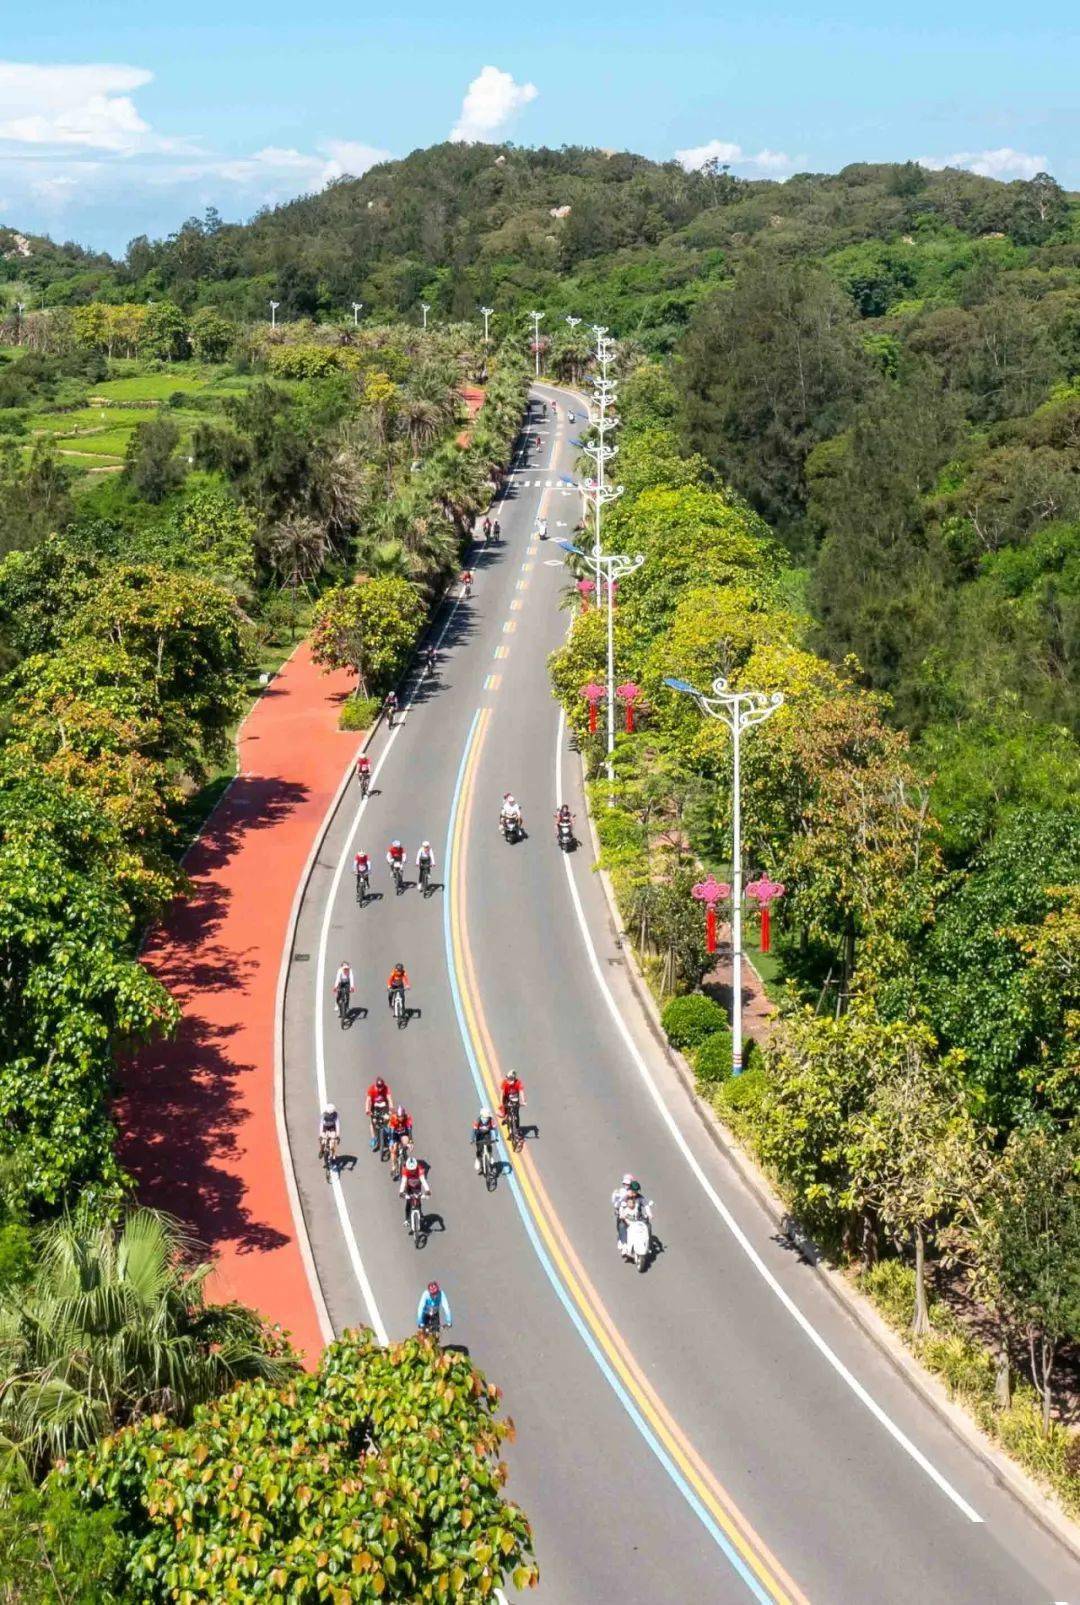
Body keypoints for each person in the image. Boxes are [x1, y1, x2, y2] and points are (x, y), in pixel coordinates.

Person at [611, 1175, 652, 1260]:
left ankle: (648, 1244)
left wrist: (649, 1213)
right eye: (633, 1191)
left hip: (638, 1219)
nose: (635, 1193)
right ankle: (625, 1244)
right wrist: (621, 1213)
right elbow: (617, 1204)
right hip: (627, 1219)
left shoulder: (639, 1197)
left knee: (648, 1226)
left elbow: (646, 1204)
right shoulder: (625, 1196)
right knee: (621, 1226)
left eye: (636, 1191)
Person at [400, 1155, 430, 1232]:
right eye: (410, 1170)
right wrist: (401, 1192)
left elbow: (423, 1180)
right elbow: (403, 1182)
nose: (412, 1171)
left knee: (418, 1200)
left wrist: (427, 1191)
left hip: (417, 1186)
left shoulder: (420, 1169)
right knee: (408, 1202)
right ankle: (407, 1219)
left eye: (413, 1169)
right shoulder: (405, 1170)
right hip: (409, 1186)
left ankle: (420, 1212)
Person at [365, 1076, 392, 1150]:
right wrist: (367, 1110)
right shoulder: (371, 1089)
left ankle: (390, 1137)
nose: (380, 1089)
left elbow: (389, 1099)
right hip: (375, 1107)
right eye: (378, 1087)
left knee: (388, 1120)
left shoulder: (386, 1088)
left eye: (381, 1087)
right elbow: (368, 1100)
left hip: (384, 1107)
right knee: (373, 1122)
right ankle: (374, 1138)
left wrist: (391, 1109)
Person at [471, 1108, 497, 1173]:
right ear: (481, 1116)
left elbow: (495, 1129)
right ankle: (478, 1160)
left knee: (489, 1145)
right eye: (484, 1117)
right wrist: (472, 1139)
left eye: (487, 1117)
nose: (486, 1119)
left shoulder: (491, 1120)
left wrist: (495, 1137)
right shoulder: (477, 1121)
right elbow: (473, 1131)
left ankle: (490, 1156)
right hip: (479, 1135)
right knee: (479, 1149)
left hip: (487, 1135)